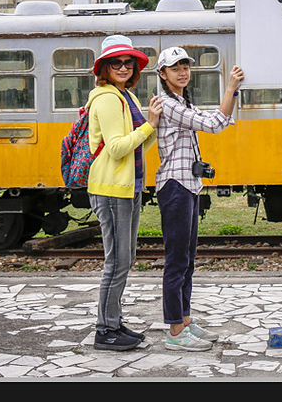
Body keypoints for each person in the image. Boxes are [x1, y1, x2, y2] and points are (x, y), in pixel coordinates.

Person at [154, 46, 244, 351]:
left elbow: (213, 120)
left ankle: (186, 320)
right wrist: (230, 88)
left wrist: (229, 97)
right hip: (175, 187)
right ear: (163, 75)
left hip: (188, 186)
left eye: (185, 67)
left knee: (187, 261)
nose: (182, 71)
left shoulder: (181, 102)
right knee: (176, 261)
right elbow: (215, 124)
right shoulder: (169, 105)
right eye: (175, 68)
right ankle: (175, 331)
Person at [87, 34, 162, 351]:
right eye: (115, 63)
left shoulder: (125, 97)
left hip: (128, 186)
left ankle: (114, 322)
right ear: (104, 67)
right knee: (116, 261)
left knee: (125, 258)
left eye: (127, 63)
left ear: (134, 68)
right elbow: (118, 149)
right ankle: (105, 330)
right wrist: (150, 124)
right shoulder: (106, 98)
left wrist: (152, 126)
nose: (122, 67)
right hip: (111, 188)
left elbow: (140, 145)